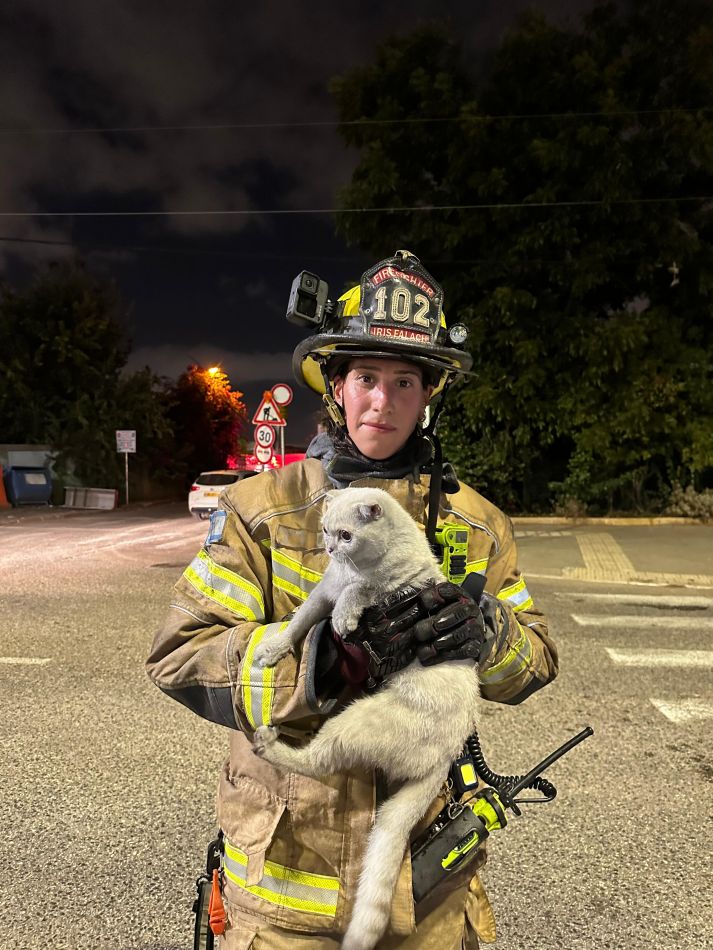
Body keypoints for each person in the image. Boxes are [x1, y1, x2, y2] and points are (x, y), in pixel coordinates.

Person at [146, 250, 559, 949]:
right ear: (335, 385)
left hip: (423, 891)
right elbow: (181, 657)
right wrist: (322, 665)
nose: (382, 401)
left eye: (405, 381)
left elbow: (536, 658)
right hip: (282, 894)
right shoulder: (262, 510)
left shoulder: (475, 524)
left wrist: (484, 635)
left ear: (429, 394)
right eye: (365, 377)